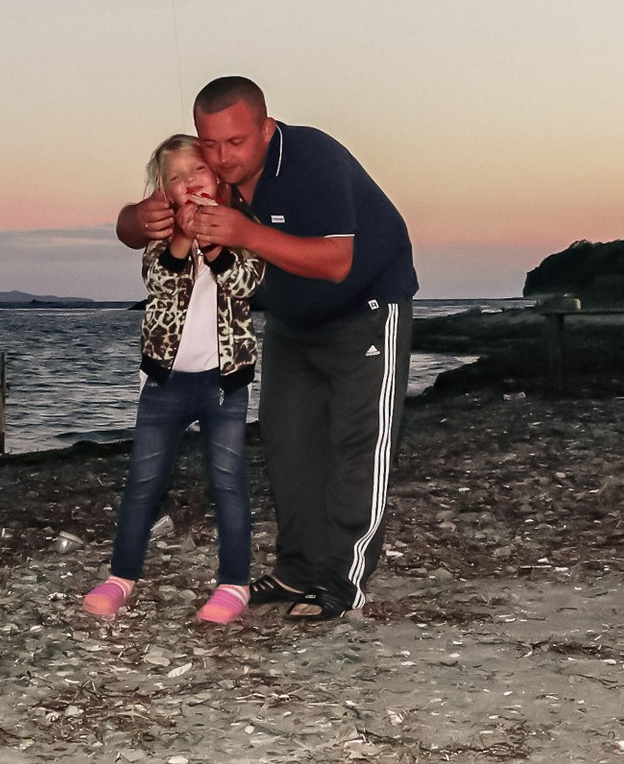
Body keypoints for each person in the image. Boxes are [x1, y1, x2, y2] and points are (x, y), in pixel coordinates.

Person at [116, 77, 417, 622]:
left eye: (236, 142)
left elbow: (336, 262)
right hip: (290, 322)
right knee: (287, 442)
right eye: (210, 145)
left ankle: (342, 583)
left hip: (367, 308)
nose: (222, 158)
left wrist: (244, 233)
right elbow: (135, 228)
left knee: (358, 445)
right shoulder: (211, 181)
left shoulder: (313, 159)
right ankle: (296, 569)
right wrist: (138, 219)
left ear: (266, 129)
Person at [85, 134, 265, 626]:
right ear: (165, 193)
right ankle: (122, 576)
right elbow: (159, 283)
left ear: (218, 178)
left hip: (225, 383)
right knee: (143, 481)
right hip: (163, 383)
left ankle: (234, 583)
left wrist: (214, 243)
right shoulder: (160, 242)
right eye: (177, 178)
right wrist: (183, 239)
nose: (191, 182)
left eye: (198, 170)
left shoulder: (241, 230)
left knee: (227, 480)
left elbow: (247, 283)